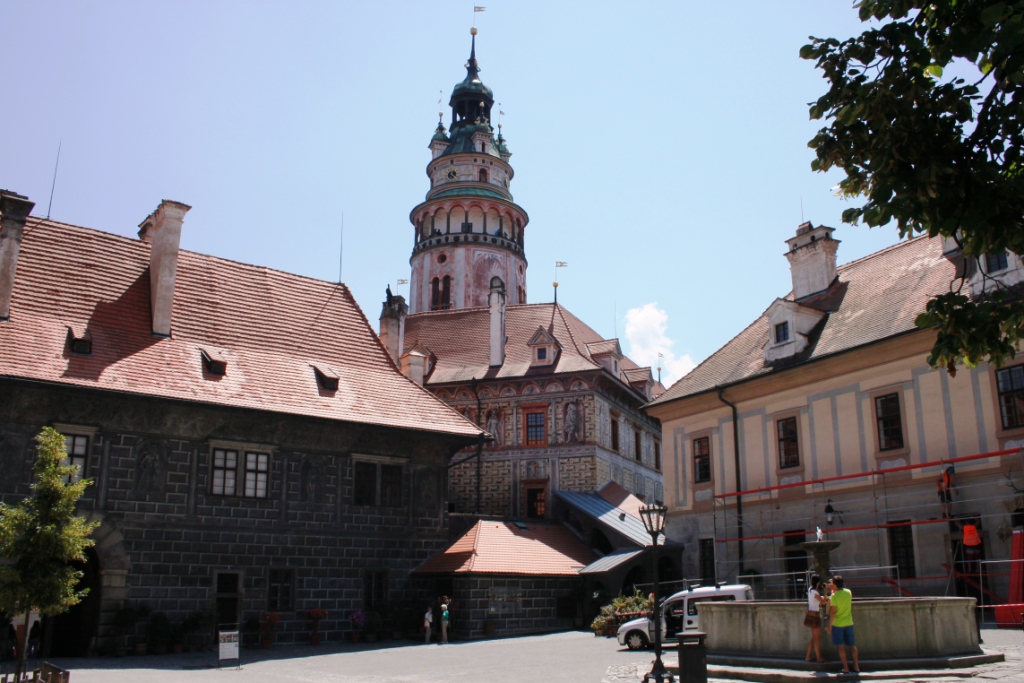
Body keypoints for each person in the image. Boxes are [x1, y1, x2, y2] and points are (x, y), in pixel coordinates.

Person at [826, 576, 859, 674]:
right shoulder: (848, 592)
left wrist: (829, 626)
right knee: (852, 645)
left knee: (840, 646)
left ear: (835, 584)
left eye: (832, 582)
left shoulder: (834, 596)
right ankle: (856, 666)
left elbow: (833, 612)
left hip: (838, 624)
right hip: (849, 622)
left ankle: (846, 667)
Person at [804, 575, 827, 663]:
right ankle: (818, 657)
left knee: (814, 637)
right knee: (816, 638)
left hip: (811, 614)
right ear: (818, 583)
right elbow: (823, 602)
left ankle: (808, 656)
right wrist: (825, 592)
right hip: (815, 616)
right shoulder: (815, 592)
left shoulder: (810, 590)